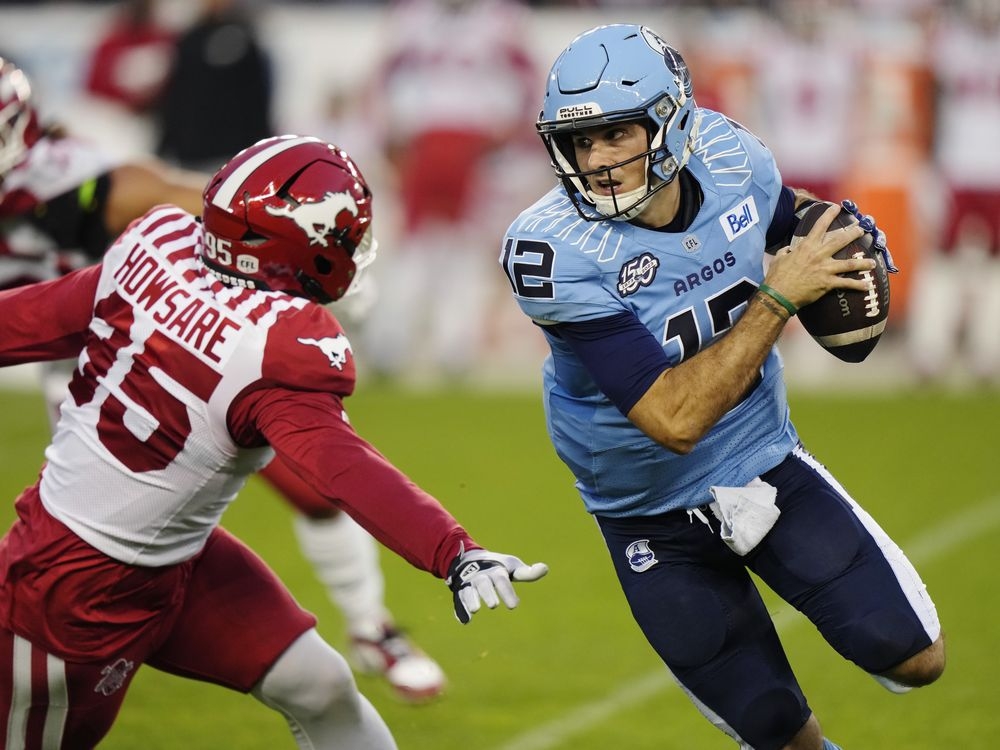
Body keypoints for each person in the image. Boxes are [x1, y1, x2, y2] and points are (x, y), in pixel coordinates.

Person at [0, 133, 547, 749]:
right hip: (76, 588)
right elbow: (346, 470)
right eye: (344, 239)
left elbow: (34, 318)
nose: (353, 251)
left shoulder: (157, 243)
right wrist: (453, 550)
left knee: (321, 687)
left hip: (181, 555)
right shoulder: (278, 345)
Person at [499, 24, 943, 750]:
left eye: (616, 135)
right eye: (580, 143)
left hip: (760, 458)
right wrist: (780, 298)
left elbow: (786, 217)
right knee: (777, 731)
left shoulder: (733, 155)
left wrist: (830, 237)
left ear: (671, 123)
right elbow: (672, 418)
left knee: (916, 653)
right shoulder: (554, 251)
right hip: (644, 511)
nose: (597, 161)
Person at [0, 57, 448, 702]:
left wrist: (303, 254)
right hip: (75, 361)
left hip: (167, 351)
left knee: (312, 489)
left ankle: (373, 627)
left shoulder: (72, 183)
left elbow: (194, 204)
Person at [359, 0, 542, 382]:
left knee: (461, 249)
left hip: (469, 143)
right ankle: (395, 342)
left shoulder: (500, 19)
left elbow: (528, 81)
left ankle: (450, 346)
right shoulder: (415, 17)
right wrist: (389, 136)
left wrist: (508, 135)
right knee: (417, 246)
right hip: (427, 140)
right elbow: (382, 79)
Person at [906, 0, 1000, 384]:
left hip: (994, 169)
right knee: (942, 262)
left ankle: (988, 353)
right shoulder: (949, 40)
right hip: (957, 165)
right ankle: (930, 351)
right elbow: (931, 104)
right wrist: (929, 162)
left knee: (994, 267)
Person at [155, 0, 273, 172]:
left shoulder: (243, 37)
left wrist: (259, 144)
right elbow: (176, 95)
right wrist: (165, 144)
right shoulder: (190, 38)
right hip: (190, 151)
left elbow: (255, 97)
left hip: (231, 151)